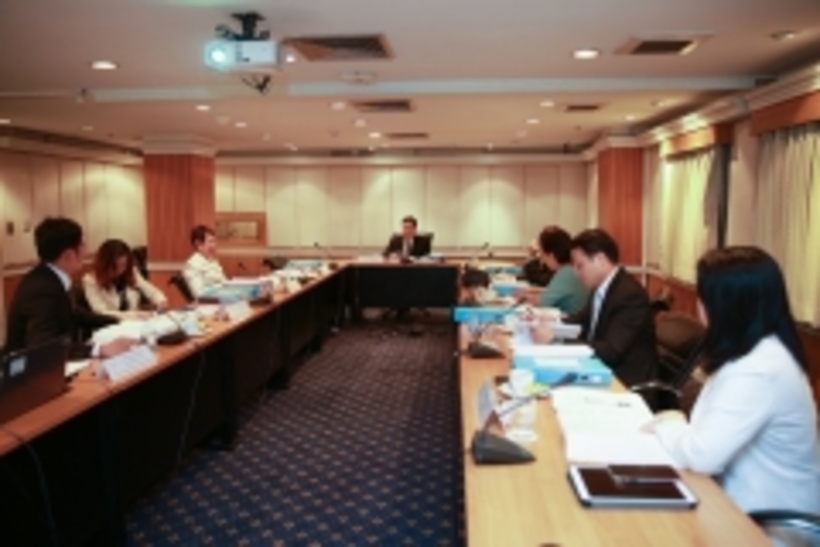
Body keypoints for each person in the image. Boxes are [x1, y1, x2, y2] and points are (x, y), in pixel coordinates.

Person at [644, 247, 820, 514]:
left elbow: (702, 455)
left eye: (703, 297)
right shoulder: (753, 351)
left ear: (726, 305)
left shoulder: (761, 369)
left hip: (765, 522)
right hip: (733, 502)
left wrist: (667, 426)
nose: (698, 306)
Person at [4, 217, 136, 359]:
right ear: (69, 255)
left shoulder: (48, 278)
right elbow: (45, 346)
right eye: (81, 245)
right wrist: (99, 349)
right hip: (29, 370)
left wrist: (117, 320)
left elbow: (75, 313)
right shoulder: (42, 290)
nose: (85, 250)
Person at [562, 229, 656, 387]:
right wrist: (551, 324)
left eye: (580, 266)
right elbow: (581, 319)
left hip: (624, 381)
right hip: (600, 369)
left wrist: (563, 341)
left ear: (601, 259)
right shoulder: (601, 287)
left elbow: (611, 350)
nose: (576, 273)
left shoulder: (629, 295)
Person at [82, 239, 168, 318]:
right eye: (115, 266)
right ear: (105, 265)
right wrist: (135, 315)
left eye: (123, 265)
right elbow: (101, 312)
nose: (120, 271)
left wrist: (161, 301)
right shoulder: (90, 281)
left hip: (135, 323)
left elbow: (152, 291)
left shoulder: (131, 272)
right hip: (110, 324)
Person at [521, 227, 588, 314]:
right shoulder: (571, 269)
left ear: (551, 255)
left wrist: (524, 296)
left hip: (571, 320)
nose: (542, 260)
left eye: (542, 254)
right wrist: (534, 290)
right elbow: (556, 292)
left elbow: (541, 302)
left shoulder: (566, 274)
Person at [183, 225, 227, 298]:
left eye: (214, 241)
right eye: (211, 241)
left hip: (222, 299)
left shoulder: (213, 261)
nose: (214, 245)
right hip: (208, 303)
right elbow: (199, 293)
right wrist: (219, 289)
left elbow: (224, 282)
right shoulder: (192, 265)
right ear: (198, 244)